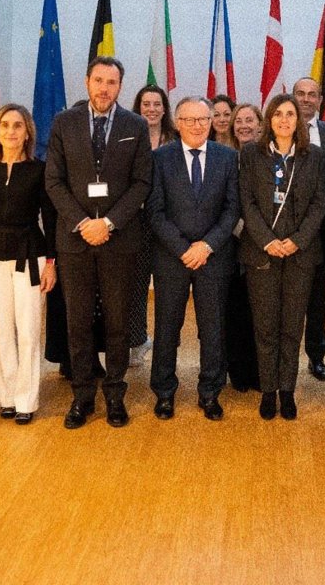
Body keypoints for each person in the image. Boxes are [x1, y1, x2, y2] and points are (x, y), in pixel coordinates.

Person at [46, 57, 152, 429]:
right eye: (98, 80)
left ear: (120, 86)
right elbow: (54, 181)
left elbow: (142, 183)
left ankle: (115, 395)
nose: (104, 88)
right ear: (87, 81)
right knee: (78, 322)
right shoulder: (64, 122)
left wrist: (107, 223)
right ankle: (82, 396)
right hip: (74, 240)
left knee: (117, 322)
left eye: (112, 82)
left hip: (118, 239)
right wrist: (82, 223)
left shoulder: (135, 125)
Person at [148, 97, 241, 420]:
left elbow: (232, 209)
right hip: (171, 258)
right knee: (167, 328)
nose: (197, 125)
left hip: (214, 257)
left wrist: (207, 246)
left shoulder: (227, 157)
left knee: (212, 329)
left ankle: (210, 392)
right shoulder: (160, 158)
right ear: (178, 123)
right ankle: (164, 392)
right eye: (189, 120)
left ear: (211, 121)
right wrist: (183, 249)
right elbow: (155, 211)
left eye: (203, 119)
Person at [239, 94, 325, 420]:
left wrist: (297, 241)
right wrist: (267, 241)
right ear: (269, 120)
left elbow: (319, 204)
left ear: (298, 120)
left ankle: (287, 390)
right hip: (262, 253)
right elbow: (246, 202)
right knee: (265, 327)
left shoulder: (314, 156)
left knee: (292, 326)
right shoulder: (252, 154)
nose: (284, 120)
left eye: (290, 114)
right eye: (278, 114)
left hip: (300, 255)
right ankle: (268, 390)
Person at [0, 105, 58, 425]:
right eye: (5, 125)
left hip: (30, 255)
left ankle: (26, 400)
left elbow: (50, 219)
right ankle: (7, 397)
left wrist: (51, 263)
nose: (10, 131)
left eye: (17, 125)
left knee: (29, 328)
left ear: (27, 133)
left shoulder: (39, 170)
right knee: (3, 328)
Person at [293, 76, 325, 382]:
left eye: (312, 94)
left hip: (323, 231)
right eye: (300, 93)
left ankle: (316, 355)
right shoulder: (280, 129)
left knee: (317, 299)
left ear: (321, 100)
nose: (306, 99)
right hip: (285, 229)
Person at [128, 85, 176, 365]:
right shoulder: (128, 137)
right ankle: (137, 340)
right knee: (137, 285)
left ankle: (167, 347)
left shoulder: (176, 138)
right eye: (146, 104)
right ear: (138, 107)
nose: (151, 109)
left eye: (157, 104)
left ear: (164, 108)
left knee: (169, 289)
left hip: (170, 223)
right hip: (137, 223)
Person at [226, 101, 263, 391]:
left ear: (261, 126)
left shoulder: (266, 159)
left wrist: (253, 232)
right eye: (239, 121)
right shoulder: (225, 157)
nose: (244, 126)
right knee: (234, 312)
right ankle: (237, 372)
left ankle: (259, 372)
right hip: (228, 245)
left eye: (249, 120)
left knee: (257, 313)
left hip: (259, 245)